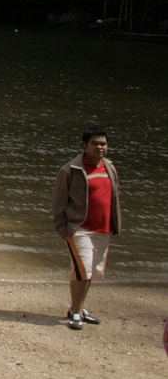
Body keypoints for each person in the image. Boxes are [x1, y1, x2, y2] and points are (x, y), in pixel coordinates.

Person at [52, 126, 121, 330]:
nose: (99, 147)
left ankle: (79, 309)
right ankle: (75, 312)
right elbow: (59, 201)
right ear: (84, 145)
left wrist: (116, 224)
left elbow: (115, 197)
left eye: (103, 144)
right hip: (79, 228)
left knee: (90, 271)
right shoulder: (70, 169)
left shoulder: (109, 167)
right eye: (95, 143)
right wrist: (62, 228)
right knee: (82, 270)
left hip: (103, 228)